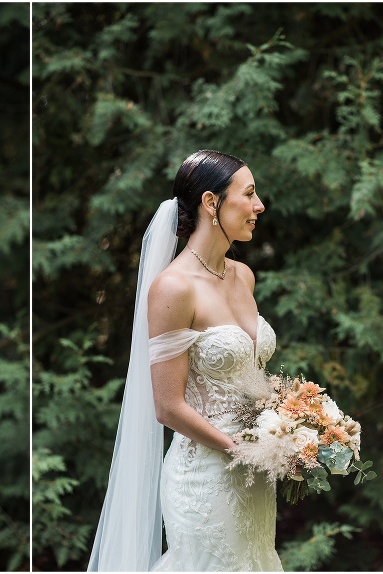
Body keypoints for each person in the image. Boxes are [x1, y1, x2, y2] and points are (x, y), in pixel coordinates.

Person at [88, 150, 282, 571]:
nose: (259, 205)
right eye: (249, 194)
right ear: (211, 203)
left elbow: (252, 378)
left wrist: (292, 434)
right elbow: (168, 407)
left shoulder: (243, 276)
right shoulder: (173, 288)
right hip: (206, 478)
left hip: (255, 478)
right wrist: (243, 452)